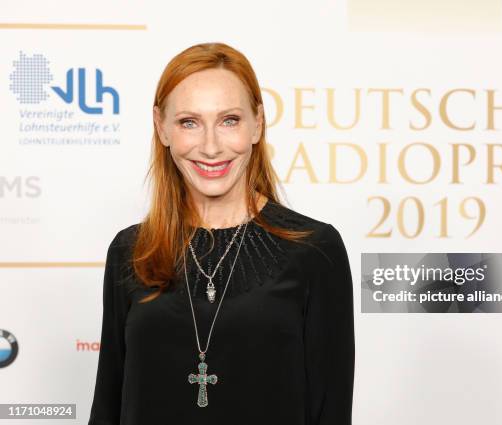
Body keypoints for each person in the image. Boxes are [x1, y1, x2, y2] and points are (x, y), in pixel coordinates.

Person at [87, 42, 355, 425]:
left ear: (257, 124)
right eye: (188, 122)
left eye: (229, 120)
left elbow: (330, 410)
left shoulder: (315, 249)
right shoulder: (132, 250)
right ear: (161, 127)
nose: (211, 147)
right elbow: (108, 403)